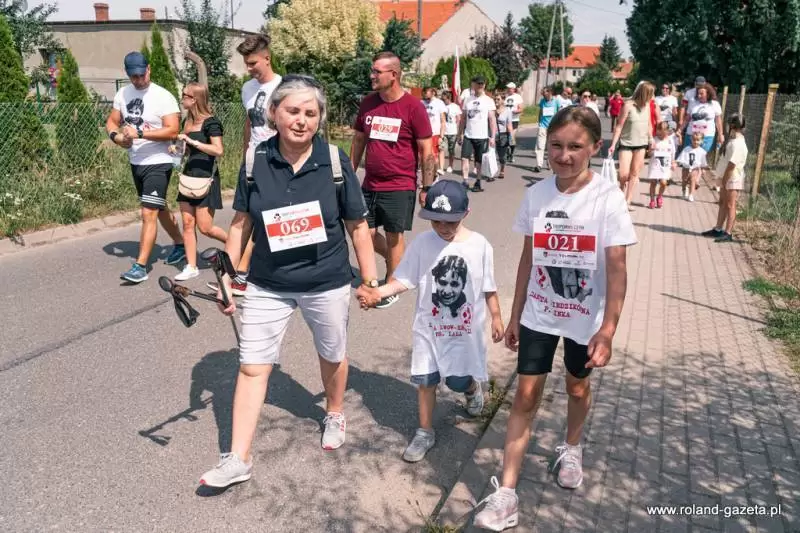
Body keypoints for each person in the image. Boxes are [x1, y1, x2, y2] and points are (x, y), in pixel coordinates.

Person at [198, 75, 379, 488]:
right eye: (293, 111)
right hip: (269, 282)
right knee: (252, 366)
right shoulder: (255, 161)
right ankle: (238, 458)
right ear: (273, 114)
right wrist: (228, 278)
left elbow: (357, 225)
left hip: (326, 280)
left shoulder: (333, 161)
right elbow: (241, 224)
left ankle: (334, 411)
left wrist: (369, 279)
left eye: (310, 113)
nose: (302, 120)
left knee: (331, 353)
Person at [473, 107, 636, 530]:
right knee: (525, 396)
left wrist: (608, 330)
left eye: (575, 147)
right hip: (539, 314)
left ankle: (572, 447)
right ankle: (507, 494)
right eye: (557, 146)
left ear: (594, 148)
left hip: (585, 318)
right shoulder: (537, 195)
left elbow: (617, 270)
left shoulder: (607, 199)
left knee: (577, 387)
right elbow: (529, 258)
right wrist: (515, 315)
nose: (564, 155)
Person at [356, 179, 504, 463]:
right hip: (429, 329)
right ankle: (425, 431)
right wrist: (378, 293)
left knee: (457, 381)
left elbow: (489, 286)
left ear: (466, 214)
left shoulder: (480, 246)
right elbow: (404, 280)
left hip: (464, 333)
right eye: (436, 221)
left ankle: (471, 388)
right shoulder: (423, 244)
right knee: (426, 380)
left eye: (450, 222)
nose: (443, 228)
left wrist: (496, 317)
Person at [350, 51, 435, 309]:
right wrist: (348, 175)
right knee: (363, 231)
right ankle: (400, 264)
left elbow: (427, 149)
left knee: (394, 235)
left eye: (377, 71)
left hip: (400, 184)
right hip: (369, 183)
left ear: (394, 75)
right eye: (372, 70)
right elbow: (359, 140)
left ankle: (391, 284)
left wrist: (426, 186)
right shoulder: (368, 103)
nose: (372, 75)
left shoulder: (413, 107)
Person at [206, 34, 283, 297]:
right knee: (241, 218)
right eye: (246, 63)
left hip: (278, 163)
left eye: (253, 63)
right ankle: (229, 278)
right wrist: (245, 154)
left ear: (267, 58)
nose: (249, 68)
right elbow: (250, 123)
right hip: (252, 161)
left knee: (270, 221)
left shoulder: (284, 87)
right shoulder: (247, 88)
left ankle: (253, 274)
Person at [106, 51, 184, 283]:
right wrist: (116, 137)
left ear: (149, 69)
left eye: (142, 75)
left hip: (159, 161)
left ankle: (140, 267)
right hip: (136, 161)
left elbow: (173, 130)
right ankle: (180, 243)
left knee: (148, 212)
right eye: (134, 76)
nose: (139, 80)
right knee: (159, 208)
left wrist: (140, 133)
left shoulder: (163, 96)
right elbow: (112, 121)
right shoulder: (123, 93)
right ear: (127, 74)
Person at [170, 83, 228, 281]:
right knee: (188, 223)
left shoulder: (211, 122)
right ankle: (191, 266)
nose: (182, 98)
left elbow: (218, 150)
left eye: (184, 95)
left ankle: (237, 245)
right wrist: (178, 149)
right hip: (189, 176)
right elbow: (188, 151)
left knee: (205, 228)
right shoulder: (187, 120)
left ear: (194, 99)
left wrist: (193, 142)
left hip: (206, 177)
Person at [609, 81, 656, 209]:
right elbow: (619, 126)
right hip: (626, 143)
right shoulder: (628, 105)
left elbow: (649, 125)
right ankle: (620, 191)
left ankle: (627, 201)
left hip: (641, 144)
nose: (653, 97)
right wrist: (613, 144)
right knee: (623, 174)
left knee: (634, 173)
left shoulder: (647, 106)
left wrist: (651, 139)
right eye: (651, 94)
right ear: (644, 93)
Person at [702, 114, 748, 242]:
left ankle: (728, 233)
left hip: (732, 178)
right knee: (722, 202)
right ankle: (718, 229)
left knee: (730, 205)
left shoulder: (738, 143)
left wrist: (725, 180)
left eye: (729, 124)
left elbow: (732, 165)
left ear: (732, 125)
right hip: (725, 176)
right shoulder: (733, 140)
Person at [458, 76, 497, 192]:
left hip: (482, 136)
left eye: (482, 84)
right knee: (464, 158)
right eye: (478, 83)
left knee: (479, 160)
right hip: (468, 135)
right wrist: (460, 133)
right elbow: (463, 118)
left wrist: (492, 137)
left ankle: (478, 181)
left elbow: (492, 120)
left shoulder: (488, 100)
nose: (480, 86)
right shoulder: (467, 100)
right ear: (473, 85)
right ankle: (465, 181)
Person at [679, 83, 723, 153]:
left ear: (708, 94)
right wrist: (680, 130)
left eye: (702, 94)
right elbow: (687, 119)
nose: (699, 96)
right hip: (691, 135)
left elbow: (718, 121)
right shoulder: (693, 104)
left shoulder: (714, 104)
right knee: (688, 156)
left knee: (702, 157)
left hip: (707, 136)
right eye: (698, 94)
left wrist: (720, 134)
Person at [644, 121, 677, 209]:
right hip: (655, 164)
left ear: (667, 131)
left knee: (663, 183)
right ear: (657, 131)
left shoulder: (670, 141)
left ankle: (659, 196)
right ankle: (652, 200)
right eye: (659, 133)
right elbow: (649, 154)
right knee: (653, 182)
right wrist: (651, 150)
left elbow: (673, 153)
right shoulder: (654, 140)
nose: (661, 135)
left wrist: (673, 162)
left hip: (665, 165)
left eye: (663, 133)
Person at [676, 132, 709, 202]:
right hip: (686, 168)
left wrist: (703, 168)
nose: (695, 142)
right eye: (694, 139)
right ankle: (684, 190)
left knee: (692, 180)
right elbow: (681, 157)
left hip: (695, 169)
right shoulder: (686, 149)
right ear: (691, 139)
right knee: (684, 180)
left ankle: (691, 194)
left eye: (698, 140)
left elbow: (703, 161)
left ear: (701, 141)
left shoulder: (702, 151)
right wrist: (678, 163)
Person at [534, 87, 561, 174]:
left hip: (553, 127)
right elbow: (541, 111)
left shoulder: (556, 101)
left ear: (550, 93)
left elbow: (559, 112)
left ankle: (549, 161)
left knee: (551, 146)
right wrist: (539, 122)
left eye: (545, 94)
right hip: (543, 126)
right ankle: (539, 165)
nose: (544, 96)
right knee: (540, 146)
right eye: (543, 94)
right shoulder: (542, 101)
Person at [422, 87, 447, 176]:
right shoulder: (421, 103)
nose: (426, 98)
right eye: (424, 95)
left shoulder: (439, 103)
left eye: (428, 95)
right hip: (424, 134)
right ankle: (430, 175)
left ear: (433, 93)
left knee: (434, 155)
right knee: (426, 155)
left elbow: (443, 120)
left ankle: (435, 174)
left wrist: (441, 136)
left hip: (435, 133)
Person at [494, 95, 515, 179]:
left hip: (502, 135)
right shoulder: (492, 110)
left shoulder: (507, 111)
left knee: (501, 156)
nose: (496, 100)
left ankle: (502, 169)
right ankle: (491, 172)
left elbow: (509, 125)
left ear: (503, 100)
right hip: (492, 135)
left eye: (498, 99)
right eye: (495, 99)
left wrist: (512, 137)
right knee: (490, 154)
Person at [442, 91, 462, 173]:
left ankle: (450, 165)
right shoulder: (441, 106)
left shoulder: (455, 107)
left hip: (452, 132)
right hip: (443, 132)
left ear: (449, 98)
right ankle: (441, 166)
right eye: (442, 99)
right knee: (441, 149)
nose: (443, 101)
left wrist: (459, 132)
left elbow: (458, 119)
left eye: (444, 99)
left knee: (451, 150)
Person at [505, 82, 524, 162]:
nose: (508, 89)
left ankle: (511, 154)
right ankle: (507, 153)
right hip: (506, 120)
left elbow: (521, 109)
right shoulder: (506, 97)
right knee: (506, 137)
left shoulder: (518, 97)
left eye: (510, 88)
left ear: (513, 89)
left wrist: (514, 111)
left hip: (514, 120)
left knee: (512, 137)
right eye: (508, 88)